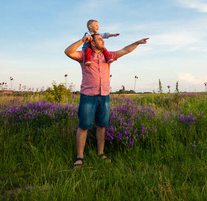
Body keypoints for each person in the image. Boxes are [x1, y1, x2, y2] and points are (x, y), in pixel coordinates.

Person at [64, 33, 149, 168]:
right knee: (84, 126)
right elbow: (68, 52)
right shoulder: (84, 55)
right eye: (99, 39)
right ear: (92, 42)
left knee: (102, 125)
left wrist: (137, 42)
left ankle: (101, 153)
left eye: (102, 39)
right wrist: (82, 40)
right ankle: (80, 157)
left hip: (104, 97)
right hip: (88, 96)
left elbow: (125, 50)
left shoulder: (107, 55)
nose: (103, 41)